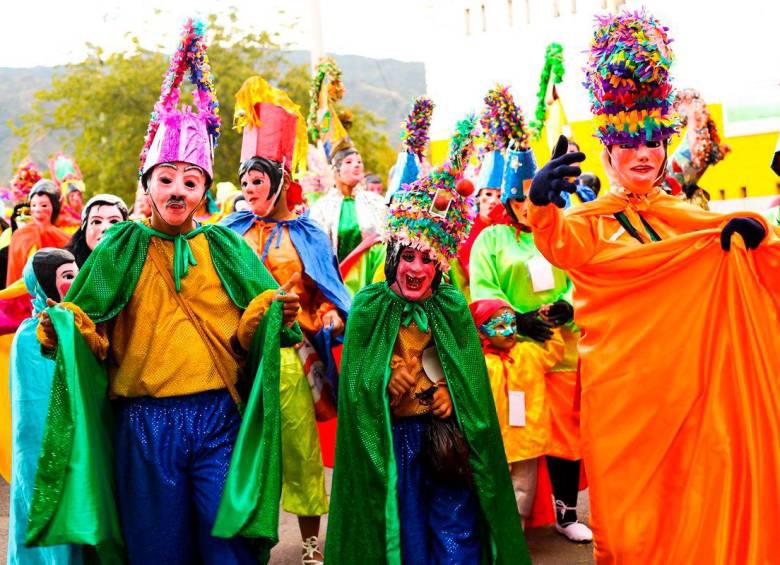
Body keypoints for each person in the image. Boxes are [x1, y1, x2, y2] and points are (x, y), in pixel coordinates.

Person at [31, 19, 303, 563]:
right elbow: (92, 328)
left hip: (217, 415)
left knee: (228, 540)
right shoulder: (120, 246)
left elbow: (251, 330)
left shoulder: (224, 246)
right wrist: (65, 325)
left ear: (203, 187)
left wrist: (270, 311)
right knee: (157, 549)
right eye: (166, 178)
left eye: (190, 180)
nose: (178, 189)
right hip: (145, 422)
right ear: (148, 183)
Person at [527, 10, 779, 563]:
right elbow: (558, 245)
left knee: (695, 513)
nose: (644, 154)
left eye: (653, 142)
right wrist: (541, 204)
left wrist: (757, 231)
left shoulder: (686, 214)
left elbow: (755, 251)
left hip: (691, 394)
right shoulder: (590, 221)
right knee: (633, 530)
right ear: (609, 150)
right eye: (630, 142)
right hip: (622, 402)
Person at [327, 116, 530, 564]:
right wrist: (382, 381)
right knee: (406, 537)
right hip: (393, 444)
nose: (417, 269)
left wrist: (447, 393)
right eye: (409, 257)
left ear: (439, 264)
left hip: (445, 443)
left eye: (427, 259)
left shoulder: (451, 306)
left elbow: (465, 374)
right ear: (394, 255)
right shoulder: (369, 306)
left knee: (455, 537)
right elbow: (356, 387)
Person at [221, 76, 351, 564]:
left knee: (299, 450)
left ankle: (312, 542)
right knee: (242, 450)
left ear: (277, 182)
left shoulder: (308, 234)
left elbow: (326, 292)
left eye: (258, 181)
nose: (250, 189)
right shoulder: (227, 233)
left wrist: (332, 316)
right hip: (238, 359)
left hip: (292, 357)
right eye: (246, 181)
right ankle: (250, 538)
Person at [470, 139, 592, 543]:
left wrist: (569, 306)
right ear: (506, 201)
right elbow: (483, 288)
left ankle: (566, 511)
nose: (526, 205)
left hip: (561, 350)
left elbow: (582, 274)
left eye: (530, 196)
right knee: (515, 434)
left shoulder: (559, 230)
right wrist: (516, 319)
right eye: (518, 198)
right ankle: (511, 518)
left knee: (565, 433)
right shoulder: (490, 240)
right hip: (513, 354)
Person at [9, 248, 82, 565]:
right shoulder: (30, 335)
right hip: (45, 448)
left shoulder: (78, 322)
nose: (77, 279)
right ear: (41, 285)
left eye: (76, 271)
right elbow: (34, 404)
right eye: (67, 276)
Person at [469, 298, 564, 528]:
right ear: (481, 332)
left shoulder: (530, 353)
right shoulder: (479, 363)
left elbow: (554, 351)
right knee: (491, 487)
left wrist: (548, 321)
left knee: (523, 489)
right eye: (500, 326)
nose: (509, 330)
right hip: (493, 441)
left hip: (526, 440)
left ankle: (516, 532)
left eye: (512, 323)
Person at [309, 141, 385, 262]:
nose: (356, 165)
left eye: (359, 162)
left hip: (372, 276)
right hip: (334, 276)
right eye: (348, 162)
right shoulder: (321, 208)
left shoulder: (377, 203)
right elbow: (315, 249)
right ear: (335, 169)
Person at [664, 89, 730, 210]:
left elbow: (691, 167)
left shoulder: (697, 139)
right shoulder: (699, 138)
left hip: (679, 197)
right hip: (677, 194)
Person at [7, 180, 70, 285]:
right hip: (22, 295)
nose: (38, 210)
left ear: (54, 207)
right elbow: (13, 274)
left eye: (44, 205)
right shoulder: (19, 236)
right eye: (34, 205)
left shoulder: (65, 237)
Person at [65, 194, 129, 266]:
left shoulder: (139, 265)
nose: (105, 228)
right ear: (84, 228)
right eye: (96, 222)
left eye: (114, 221)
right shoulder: (66, 265)